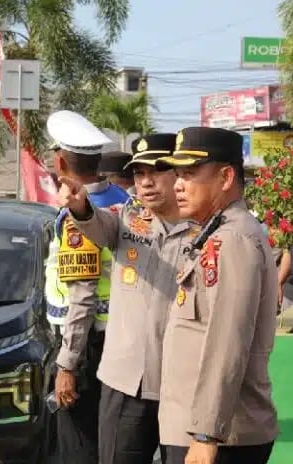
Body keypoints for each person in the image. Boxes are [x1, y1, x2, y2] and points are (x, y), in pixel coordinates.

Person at [60, 133, 193, 464]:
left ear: (179, 173)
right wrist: (79, 204)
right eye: (138, 173)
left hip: (181, 386)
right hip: (126, 382)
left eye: (157, 171)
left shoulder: (203, 228)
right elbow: (96, 224)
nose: (146, 182)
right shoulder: (127, 217)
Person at [155, 127, 278, 464]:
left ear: (225, 177)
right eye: (178, 174)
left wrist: (207, 433)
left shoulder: (233, 241)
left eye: (190, 174)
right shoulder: (217, 234)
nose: (177, 184)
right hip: (200, 429)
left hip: (219, 438)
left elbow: (228, 339)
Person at [44, 110, 129, 464]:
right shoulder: (124, 201)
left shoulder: (79, 215)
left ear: (60, 161)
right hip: (119, 341)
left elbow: (82, 294)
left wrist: (67, 366)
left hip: (87, 345)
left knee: (79, 447)